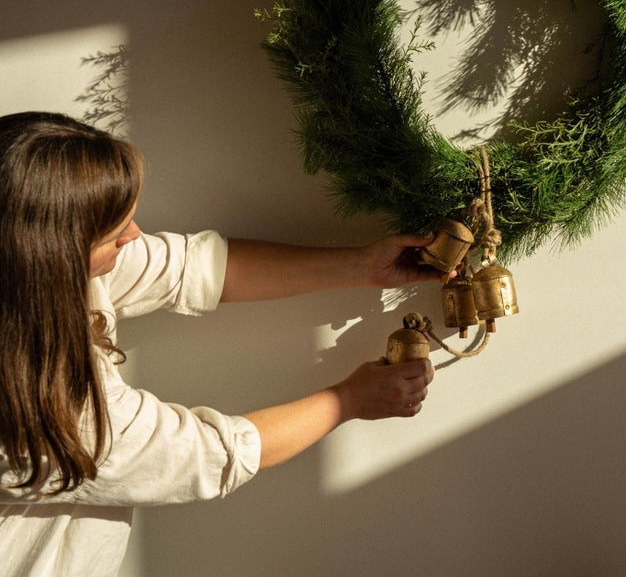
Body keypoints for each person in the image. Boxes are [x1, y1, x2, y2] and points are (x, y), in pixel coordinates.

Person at [0, 111, 449, 576]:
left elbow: (195, 268)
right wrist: (349, 399)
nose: (134, 236)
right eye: (115, 234)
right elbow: (206, 454)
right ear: (49, 254)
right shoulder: (38, 406)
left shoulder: (29, 276)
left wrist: (363, 267)